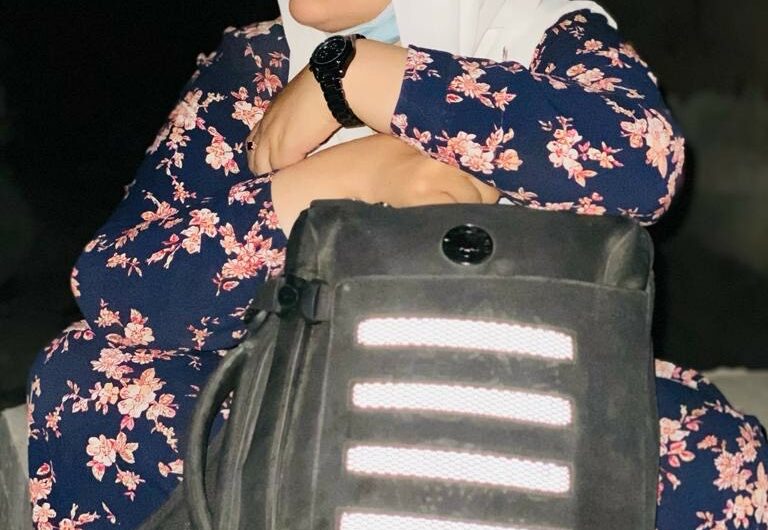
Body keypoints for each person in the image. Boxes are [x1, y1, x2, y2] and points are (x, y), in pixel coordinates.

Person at [26, 2, 767, 530]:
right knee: (88, 378)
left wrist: (358, 76)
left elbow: (641, 162)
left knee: (714, 456)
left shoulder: (538, 32)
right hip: (304, 394)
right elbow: (117, 285)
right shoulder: (251, 67)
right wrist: (346, 178)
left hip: (522, 390)